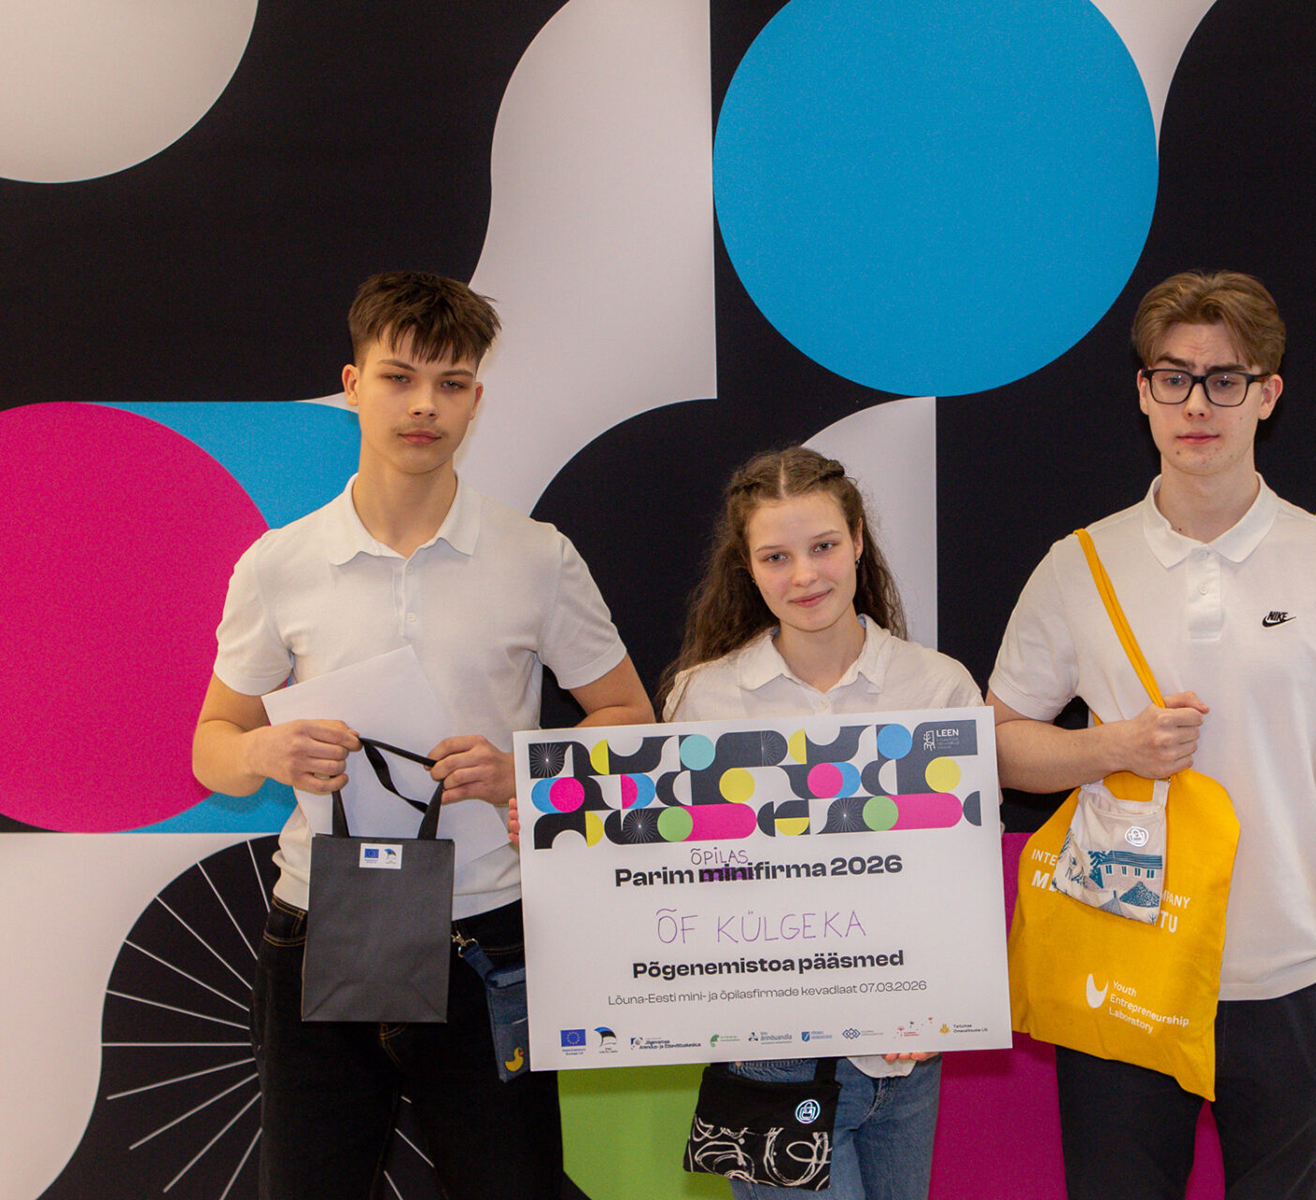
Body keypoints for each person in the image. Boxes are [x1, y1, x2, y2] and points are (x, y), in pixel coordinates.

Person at [192, 270, 655, 1200]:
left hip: (491, 935)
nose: (423, 406)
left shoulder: (537, 555)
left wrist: (523, 771)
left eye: (450, 384)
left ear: (476, 400)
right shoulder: (281, 562)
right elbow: (213, 744)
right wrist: (262, 752)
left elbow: (629, 722)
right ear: (352, 385)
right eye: (398, 377)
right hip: (319, 929)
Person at [987, 271, 1316, 1200]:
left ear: (1268, 394)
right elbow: (999, 741)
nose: (1197, 405)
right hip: (1123, 973)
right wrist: (1111, 748)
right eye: (1174, 378)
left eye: (1226, 380)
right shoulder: (1079, 565)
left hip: (1294, 987)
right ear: (1143, 392)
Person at [663, 446, 981, 1200]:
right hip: (766, 1057)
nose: (804, 575)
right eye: (776, 557)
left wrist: (941, 999)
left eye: (824, 546)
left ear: (859, 540)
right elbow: (673, 880)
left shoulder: (938, 688)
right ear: (747, 567)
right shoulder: (703, 698)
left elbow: (960, 880)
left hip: (904, 1060)